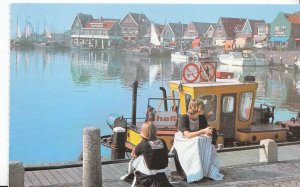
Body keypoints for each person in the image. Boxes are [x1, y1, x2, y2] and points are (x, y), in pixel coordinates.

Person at [173, 99, 223, 182]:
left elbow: (203, 131)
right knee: (196, 144)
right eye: (201, 107)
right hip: (184, 140)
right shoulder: (184, 118)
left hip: (196, 138)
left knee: (207, 143)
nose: (203, 109)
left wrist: (208, 132)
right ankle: (194, 171)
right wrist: (203, 131)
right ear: (196, 108)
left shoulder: (202, 117)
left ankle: (206, 170)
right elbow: (187, 135)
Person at [121, 122, 172, 187]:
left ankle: (132, 177)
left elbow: (134, 155)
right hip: (163, 172)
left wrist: (141, 139)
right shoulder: (162, 141)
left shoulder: (143, 145)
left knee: (138, 159)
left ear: (143, 132)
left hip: (147, 176)